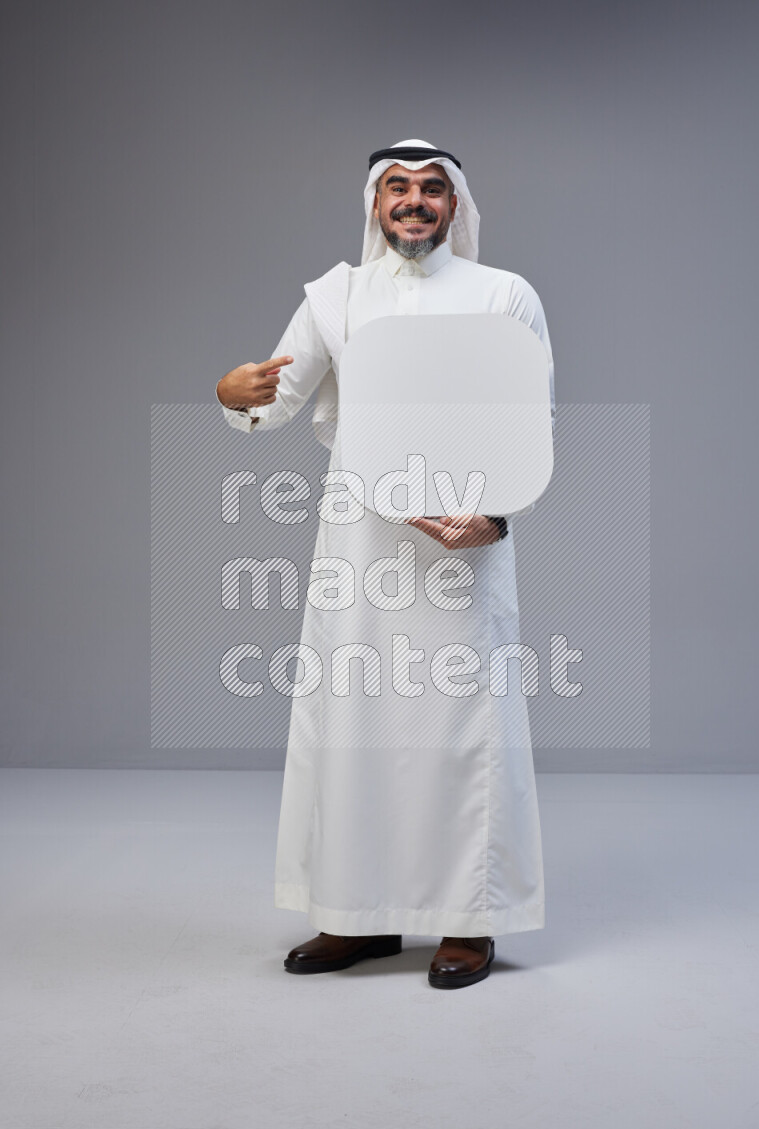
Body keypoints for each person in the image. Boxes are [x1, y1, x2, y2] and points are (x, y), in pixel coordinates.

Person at [216, 139, 555, 989]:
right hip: (361, 541)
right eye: (397, 188)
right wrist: (235, 395)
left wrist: (496, 517)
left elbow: (533, 418)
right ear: (374, 204)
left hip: (461, 543)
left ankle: (467, 921)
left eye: (432, 189)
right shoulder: (336, 297)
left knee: (457, 730)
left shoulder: (503, 295)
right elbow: (275, 397)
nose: (414, 202)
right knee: (355, 727)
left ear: (455, 205)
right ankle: (357, 916)